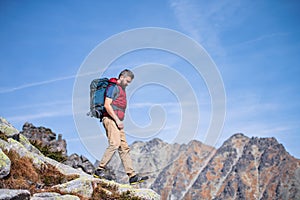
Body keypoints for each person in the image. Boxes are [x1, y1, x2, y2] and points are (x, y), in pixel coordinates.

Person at [94, 69, 148, 185]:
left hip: (118, 122)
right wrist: (117, 120)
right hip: (110, 119)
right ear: (122, 77)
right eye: (127, 81)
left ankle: (132, 176)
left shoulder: (121, 90)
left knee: (124, 148)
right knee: (114, 143)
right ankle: (99, 170)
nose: (128, 84)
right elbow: (107, 105)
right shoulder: (113, 87)